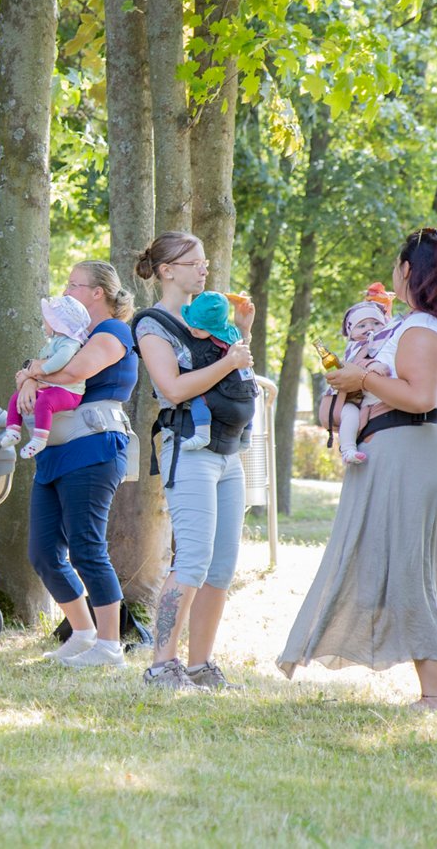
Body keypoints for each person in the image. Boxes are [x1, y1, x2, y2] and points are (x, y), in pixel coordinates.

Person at [278, 228, 437, 710]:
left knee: (410, 573)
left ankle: (435, 695)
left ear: (408, 270)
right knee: (429, 575)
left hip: (412, 451)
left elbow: (419, 396)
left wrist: (361, 377)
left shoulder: (421, 329)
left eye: (397, 266)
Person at [132, 232, 256, 690]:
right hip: (190, 449)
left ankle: (201, 664)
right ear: (166, 271)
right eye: (193, 263)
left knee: (221, 566)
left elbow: (234, 376)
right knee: (193, 561)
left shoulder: (213, 320)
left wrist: (241, 332)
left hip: (229, 452)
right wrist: (230, 361)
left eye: (204, 261)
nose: (204, 269)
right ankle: (163, 665)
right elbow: (174, 388)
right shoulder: (152, 326)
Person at [20, 260, 139, 668]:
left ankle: (110, 646)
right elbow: (43, 372)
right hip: (55, 448)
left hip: (93, 445)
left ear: (97, 294)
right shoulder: (69, 336)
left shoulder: (113, 332)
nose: (66, 291)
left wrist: (31, 375)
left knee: (87, 547)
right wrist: (30, 377)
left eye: (74, 285)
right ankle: (84, 631)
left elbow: (76, 371)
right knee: (43, 552)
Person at [0, 295, 92, 459]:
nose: (44, 323)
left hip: (70, 392)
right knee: (16, 397)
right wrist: (31, 375)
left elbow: (61, 359)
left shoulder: (70, 342)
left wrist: (40, 371)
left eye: (47, 320)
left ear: (57, 323)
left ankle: (39, 439)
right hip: (53, 386)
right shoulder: (57, 341)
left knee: (45, 402)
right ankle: (13, 430)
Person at [176, 290, 258, 453]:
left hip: (226, 393)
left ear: (214, 329)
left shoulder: (207, 347)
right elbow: (243, 345)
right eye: (190, 324)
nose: (192, 330)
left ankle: (202, 433)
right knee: (251, 400)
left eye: (199, 328)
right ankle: (246, 437)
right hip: (245, 392)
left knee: (199, 398)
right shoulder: (234, 334)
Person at [329, 297, 392, 465]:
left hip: (370, 400)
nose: (369, 328)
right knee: (350, 416)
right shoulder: (355, 346)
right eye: (362, 325)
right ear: (351, 332)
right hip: (351, 399)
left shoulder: (386, 342)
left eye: (376, 323)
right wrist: (373, 365)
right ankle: (348, 450)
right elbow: (355, 364)